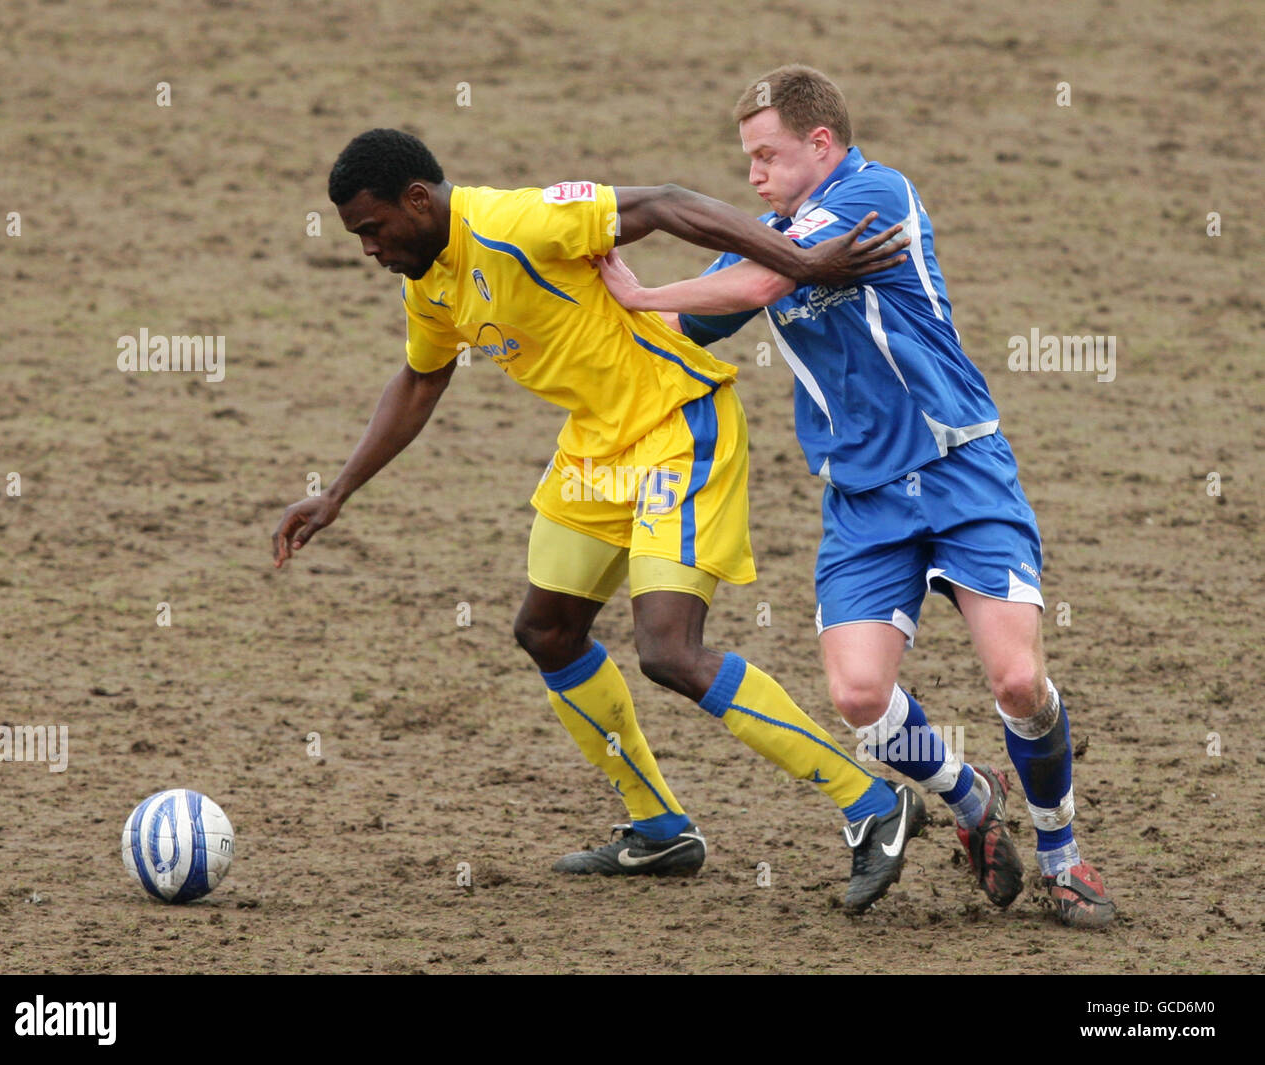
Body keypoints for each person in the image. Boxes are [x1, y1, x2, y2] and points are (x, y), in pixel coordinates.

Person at [271, 128, 924, 913]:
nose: (369, 249)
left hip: (678, 428)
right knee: (546, 630)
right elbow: (420, 379)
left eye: (372, 229)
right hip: (595, 449)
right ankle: (660, 828)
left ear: (418, 200)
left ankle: (873, 804)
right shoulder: (428, 282)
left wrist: (806, 263)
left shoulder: (518, 222)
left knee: (668, 652)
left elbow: (667, 204)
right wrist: (337, 491)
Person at [597, 65, 1116, 929]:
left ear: (822, 144)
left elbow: (761, 286)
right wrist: (580, 299)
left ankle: (1062, 850)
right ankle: (969, 794)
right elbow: (681, 326)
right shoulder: (769, 235)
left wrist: (643, 287)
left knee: (1020, 680)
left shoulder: (875, 193)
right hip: (863, 502)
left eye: (767, 156)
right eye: (748, 161)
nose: (755, 176)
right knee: (859, 698)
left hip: (960, 474)